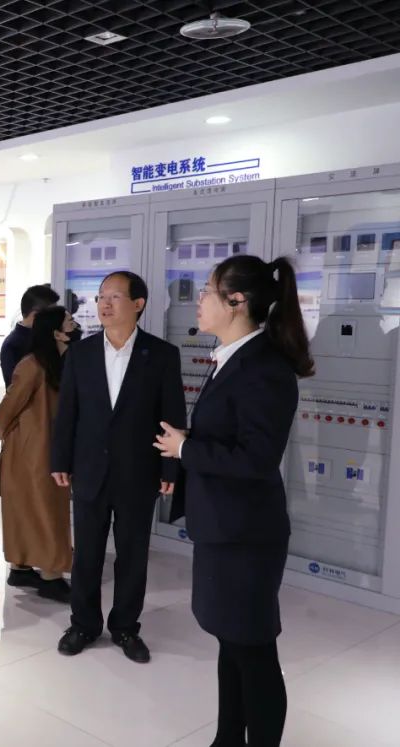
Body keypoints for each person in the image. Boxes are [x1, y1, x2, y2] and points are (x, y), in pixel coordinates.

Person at [155, 255, 312, 746]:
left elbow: (256, 459)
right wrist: (190, 443)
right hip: (224, 527)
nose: (198, 300)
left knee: (254, 652)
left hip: (246, 536)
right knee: (231, 642)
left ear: (237, 301)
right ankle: (227, 738)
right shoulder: (234, 357)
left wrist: (186, 449)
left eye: (207, 291)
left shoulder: (263, 367)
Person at [51, 271, 185, 663]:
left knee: (133, 555)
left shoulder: (161, 355)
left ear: (138, 304)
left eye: (114, 297)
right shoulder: (81, 353)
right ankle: (83, 624)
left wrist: (170, 469)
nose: (104, 305)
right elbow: (67, 413)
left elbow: (172, 415)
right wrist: (60, 459)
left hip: (138, 472)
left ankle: (126, 627)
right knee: (87, 554)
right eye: (101, 297)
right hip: (89, 469)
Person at [0, 306, 76, 602]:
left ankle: (21, 567)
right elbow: (10, 403)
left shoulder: (58, 363)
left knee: (29, 509)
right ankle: (51, 576)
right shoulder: (33, 365)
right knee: (44, 510)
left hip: (43, 447)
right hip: (31, 452)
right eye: (69, 321)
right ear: (56, 333)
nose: (75, 325)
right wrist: (0, 427)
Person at [0, 284, 61, 386]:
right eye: (53, 315)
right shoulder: (13, 344)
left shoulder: (48, 336)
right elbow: (15, 387)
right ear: (35, 315)